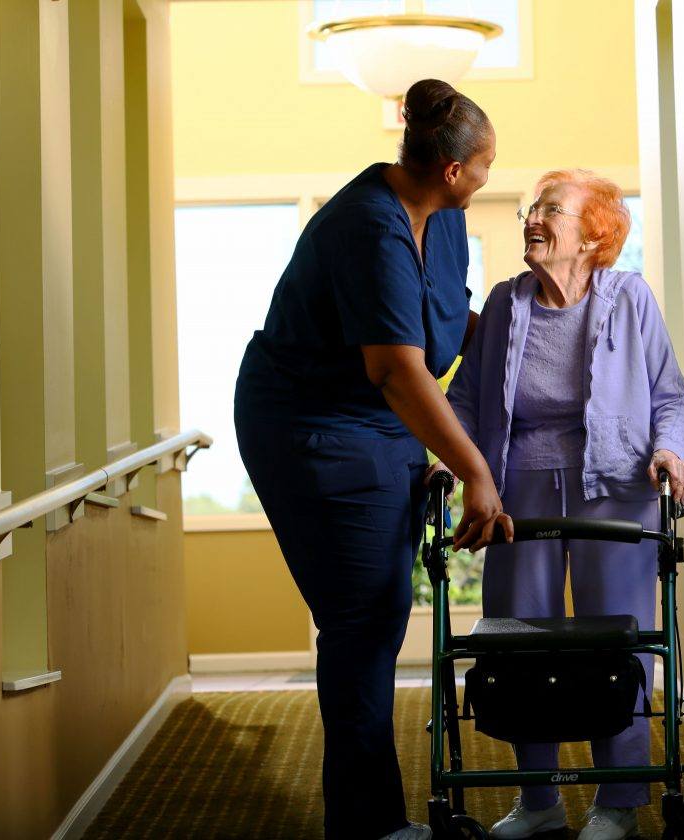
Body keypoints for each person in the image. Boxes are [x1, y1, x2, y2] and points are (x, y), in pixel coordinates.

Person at [234, 79, 514, 840]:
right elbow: (396, 368)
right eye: (487, 164)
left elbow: (452, 322)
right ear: (454, 170)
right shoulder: (368, 224)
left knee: (382, 610)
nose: (491, 176)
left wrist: (547, 344)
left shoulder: (445, 220)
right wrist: (476, 472)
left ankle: (372, 820)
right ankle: (367, 828)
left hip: (379, 421)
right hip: (311, 425)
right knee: (361, 619)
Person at [441, 170, 684, 840]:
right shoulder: (503, 304)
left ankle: (617, 802)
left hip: (616, 488)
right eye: (532, 209)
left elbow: (669, 395)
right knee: (522, 641)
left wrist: (672, 451)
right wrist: (450, 460)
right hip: (517, 489)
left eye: (550, 210)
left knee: (620, 641)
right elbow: (465, 398)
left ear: (592, 234)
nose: (532, 219)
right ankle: (539, 800)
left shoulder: (629, 297)